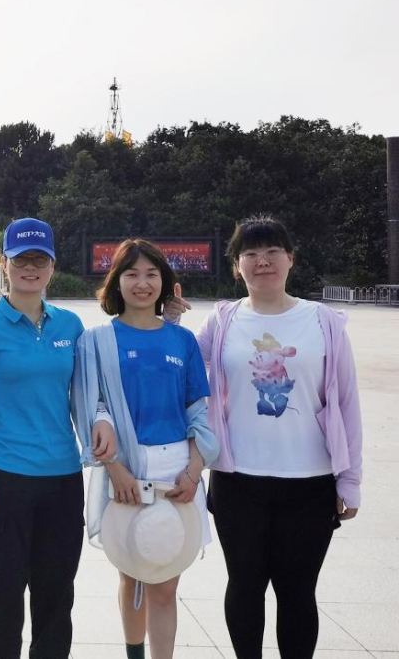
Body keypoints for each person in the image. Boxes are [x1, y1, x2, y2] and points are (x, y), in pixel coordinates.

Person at [175, 216, 362, 659]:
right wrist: (166, 320)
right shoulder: (223, 319)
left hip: (310, 481)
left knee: (298, 590)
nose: (263, 261)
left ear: (290, 259)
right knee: (244, 585)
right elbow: (180, 364)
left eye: (273, 251)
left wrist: (350, 479)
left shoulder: (323, 322)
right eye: (251, 253)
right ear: (237, 265)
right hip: (238, 479)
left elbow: (347, 403)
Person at [0, 217, 116, 659]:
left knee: (56, 595)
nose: (30, 268)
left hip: (62, 478)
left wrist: (102, 418)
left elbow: (89, 394)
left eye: (39, 260)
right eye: (21, 259)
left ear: (52, 265)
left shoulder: (70, 326)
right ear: (3, 262)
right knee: (3, 596)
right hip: (4, 479)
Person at [74, 239, 216, 659]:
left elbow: (198, 413)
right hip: (124, 467)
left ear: (165, 282)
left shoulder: (182, 340)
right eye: (131, 274)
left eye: (151, 274)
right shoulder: (96, 340)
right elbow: (90, 406)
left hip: (177, 469)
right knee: (132, 572)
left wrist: (193, 472)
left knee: (165, 579)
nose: (142, 283)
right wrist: (115, 469)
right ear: (116, 282)